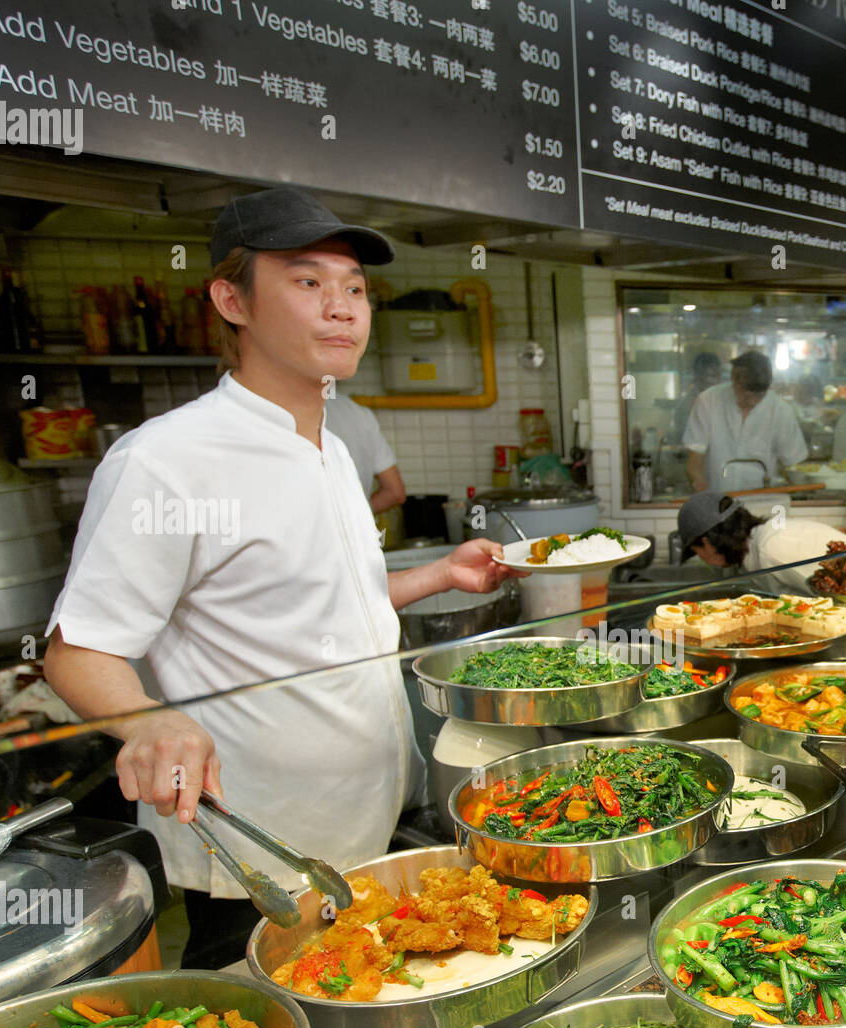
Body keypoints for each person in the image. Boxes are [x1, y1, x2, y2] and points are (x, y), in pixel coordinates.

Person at [43, 186, 520, 968]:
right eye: (308, 283)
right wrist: (143, 720)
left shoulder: (331, 448)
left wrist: (436, 575)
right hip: (258, 856)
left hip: (364, 824)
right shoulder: (167, 461)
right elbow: (77, 649)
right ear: (232, 299)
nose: (342, 309)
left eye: (355, 289)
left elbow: (329, 604)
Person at [676, 492, 846, 595]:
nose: (702, 559)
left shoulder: (773, 547)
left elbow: (843, 596)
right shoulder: (753, 554)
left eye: (697, 552)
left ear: (707, 543)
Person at [683, 350, 808, 492]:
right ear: (733, 380)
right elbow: (694, 459)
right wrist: (699, 483)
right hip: (717, 500)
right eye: (746, 395)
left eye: (759, 396)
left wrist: (794, 487)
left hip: (764, 502)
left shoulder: (781, 411)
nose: (753, 401)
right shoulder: (708, 402)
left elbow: (794, 464)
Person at [325, 391, 407, 514]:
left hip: (306, 531)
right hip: (356, 531)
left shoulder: (291, 411)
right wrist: (356, 518)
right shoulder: (355, 410)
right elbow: (395, 492)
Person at [672, 350, 723, 442]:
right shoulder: (686, 407)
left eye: (719, 375)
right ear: (698, 376)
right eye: (712, 375)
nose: (718, 381)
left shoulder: (717, 399)